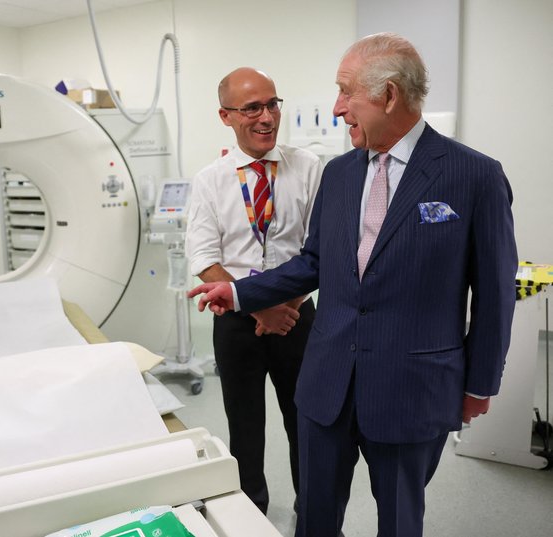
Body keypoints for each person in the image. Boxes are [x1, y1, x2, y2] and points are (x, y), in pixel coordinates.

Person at [189, 33, 517, 537]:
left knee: (401, 520)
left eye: (346, 93)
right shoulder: (340, 174)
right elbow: (315, 261)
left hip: (411, 388)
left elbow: (494, 296)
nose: (337, 108)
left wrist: (479, 385)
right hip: (327, 384)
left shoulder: (473, 175)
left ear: (387, 96)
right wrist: (238, 294)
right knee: (315, 518)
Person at [185, 67, 322, 514]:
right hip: (239, 324)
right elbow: (203, 257)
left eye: (272, 104)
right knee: (244, 428)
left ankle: (314, 515)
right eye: (251, 108)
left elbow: (321, 249)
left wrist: (287, 307)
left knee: (308, 423)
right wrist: (260, 309)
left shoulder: (308, 168)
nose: (266, 117)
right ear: (226, 116)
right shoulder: (211, 179)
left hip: (298, 317)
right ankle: (251, 514)